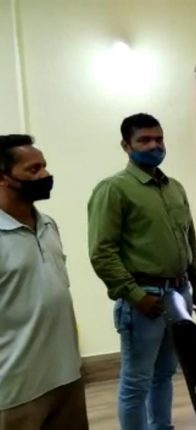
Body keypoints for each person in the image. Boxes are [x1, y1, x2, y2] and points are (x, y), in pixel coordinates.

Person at [88, 113, 196, 430]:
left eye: (159, 139)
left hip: (179, 294)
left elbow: (189, 238)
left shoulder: (174, 188)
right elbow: (102, 252)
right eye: (144, 140)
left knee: (165, 373)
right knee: (136, 381)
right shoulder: (114, 189)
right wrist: (135, 295)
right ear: (126, 145)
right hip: (144, 298)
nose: (155, 146)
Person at [0, 135, 88, 430]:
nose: (45, 175)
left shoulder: (49, 225)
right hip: (16, 389)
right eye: (33, 169)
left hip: (66, 376)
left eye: (44, 166)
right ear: (3, 178)